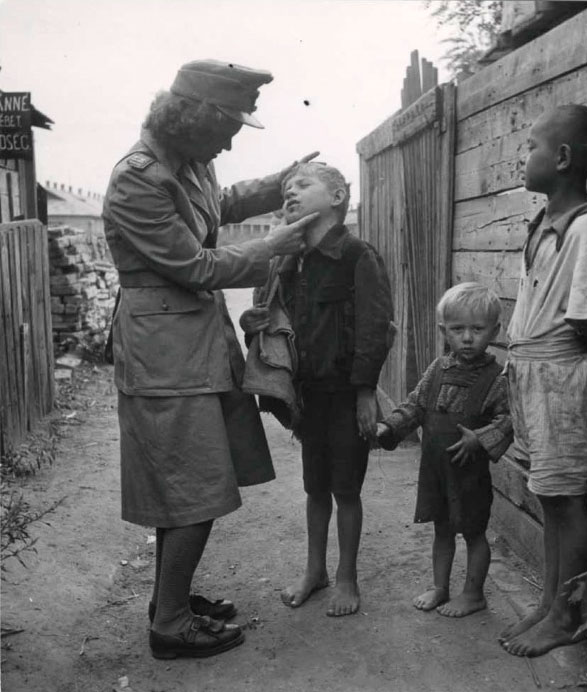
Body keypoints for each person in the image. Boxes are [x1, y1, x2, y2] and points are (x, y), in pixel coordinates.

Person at [102, 58, 320, 660]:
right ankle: (169, 626)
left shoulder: (189, 160)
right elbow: (193, 266)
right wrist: (270, 246)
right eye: (229, 124)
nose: (231, 138)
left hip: (193, 344)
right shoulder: (138, 177)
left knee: (190, 484)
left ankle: (169, 601)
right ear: (196, 116)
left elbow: (218, 203)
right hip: (165, 355)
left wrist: (281, 180)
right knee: (193, 486)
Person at [241, 163, 394, 616]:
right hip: (308, 397)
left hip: (347, 396)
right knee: (314, 489)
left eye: (302, 186)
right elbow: (274, 321)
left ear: (338, 196)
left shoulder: (356, 255)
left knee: (346, 490)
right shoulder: (288, 262)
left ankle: (346, 577)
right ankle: (315, 570)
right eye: (285, 188)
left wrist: (366, 392)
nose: (290, 193)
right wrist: (254, 323)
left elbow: (375, 327)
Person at [499, 105, 587, 657]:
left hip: (562, 380)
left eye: (531, 147)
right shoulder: (545, 223)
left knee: (568, 500)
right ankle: (551, 602)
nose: (523, 157)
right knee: (549, 496)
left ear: (563, 158)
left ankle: (568, 614)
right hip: (531, 376)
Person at [376, 283, 513, 617]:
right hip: (436, 469)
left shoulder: (498, 378)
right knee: (442, 530)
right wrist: (389, 427)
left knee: (474, 533)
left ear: (494, 331)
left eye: (477, 329)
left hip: (469, 475)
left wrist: (479, 438)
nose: (467, 338)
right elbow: (415, 405)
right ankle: (440, 587)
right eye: (458, 329)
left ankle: (473, 593)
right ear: (443, 331)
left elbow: (510, 420)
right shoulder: (437, 369)